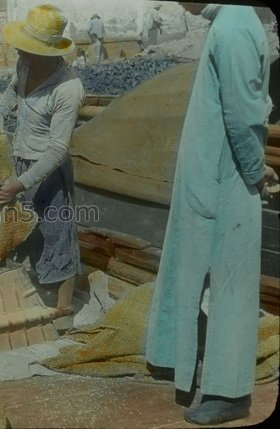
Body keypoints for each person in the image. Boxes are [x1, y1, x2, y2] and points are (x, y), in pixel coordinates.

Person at [145, 4, 277, 426]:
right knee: (201, 280)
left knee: (229, 288)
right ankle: (193, 367)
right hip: (213, 177)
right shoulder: (229, 23)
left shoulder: (235, 26)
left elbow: (244, 114)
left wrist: (255, 170)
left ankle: (230, 392)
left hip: (228, 181)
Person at [0, 4, 84, 318]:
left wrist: (21, 183)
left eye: (28, 50)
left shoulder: (68, 89)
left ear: (49, 52)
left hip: (48, 170)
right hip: (19, 160)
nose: (21, 53)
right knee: (23, 227)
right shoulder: (25, 65)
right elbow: (12, 91)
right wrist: (0, 116)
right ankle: (34, 282)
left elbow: (58, 150)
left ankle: (63, 306)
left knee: (56, 232)